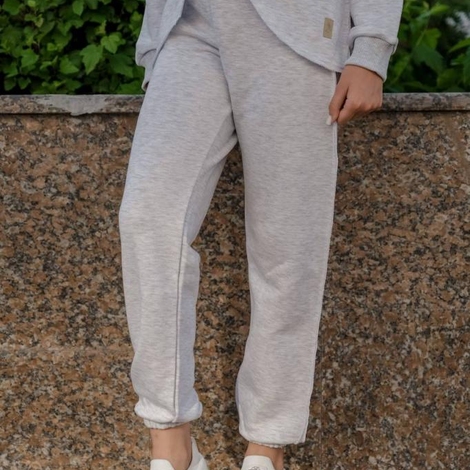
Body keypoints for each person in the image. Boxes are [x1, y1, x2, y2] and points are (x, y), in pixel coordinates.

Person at [117, 0, 404, 469]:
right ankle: (171, 443)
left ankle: (266, 449)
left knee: (287, 247)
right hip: (188, 27)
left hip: (298, 30)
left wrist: (371, 49)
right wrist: (154, 40)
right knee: (148, 220)